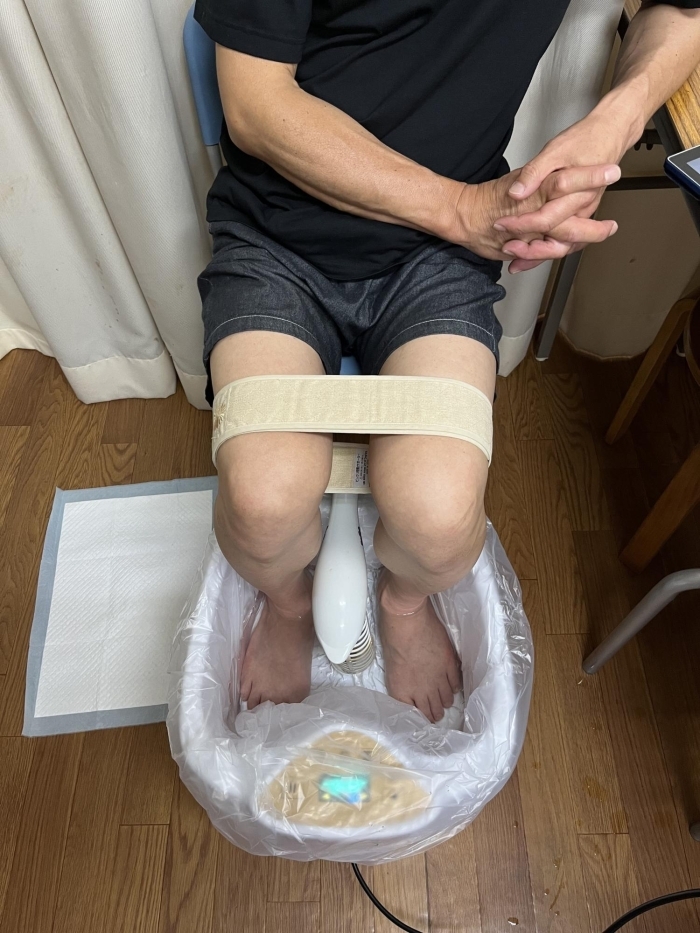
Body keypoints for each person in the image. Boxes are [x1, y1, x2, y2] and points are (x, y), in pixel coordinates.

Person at [194, 0, 700, 722]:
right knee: (261, 501)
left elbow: (681, 12)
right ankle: (287, 602)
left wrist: (612, 124)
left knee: (439, 520)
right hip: (277, 236)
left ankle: (403, 604)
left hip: (435, 259)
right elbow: (253, 105)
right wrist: (463, 210)